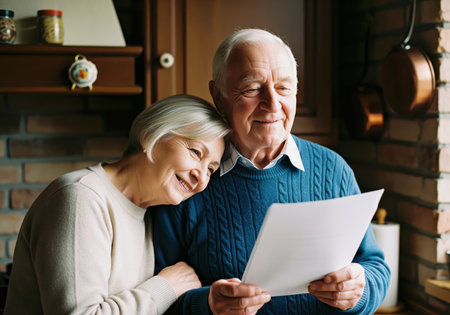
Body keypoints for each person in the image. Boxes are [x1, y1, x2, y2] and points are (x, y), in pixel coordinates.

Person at [151, 29, 390, 314]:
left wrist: (359, 291)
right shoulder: (187, 178)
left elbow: (376, 268)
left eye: (284, 88)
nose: (273, 104)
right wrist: (207, 305)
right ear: (218, 96)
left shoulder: (333, 169)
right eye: (252, 88)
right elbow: (158, 297)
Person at [4, 94, 230, 315]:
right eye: (195, 152)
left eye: (210, 169)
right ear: (151, 135)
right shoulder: (80, 197)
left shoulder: (150, 215)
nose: (201, 177)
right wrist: (166, 287)